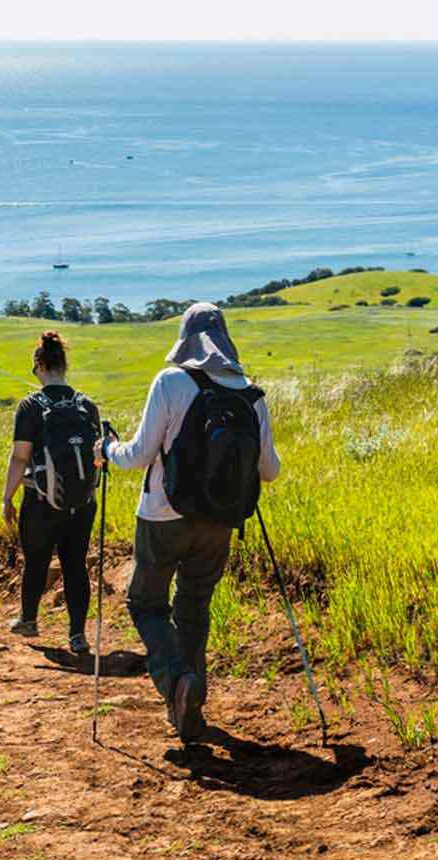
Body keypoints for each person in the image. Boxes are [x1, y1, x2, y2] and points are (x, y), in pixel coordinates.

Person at [94, 303, 280, 742]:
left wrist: (107, 449)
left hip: (163, 515)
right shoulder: (250, 393)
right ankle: (188, 704)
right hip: (220, 521)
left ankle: (177, 682)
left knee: (145, 603)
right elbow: (269, 471)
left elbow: (139, 455)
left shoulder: (171, 381)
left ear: (184, 338)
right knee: (194, 604)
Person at [2, 331, 101, 654]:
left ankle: (28, 620)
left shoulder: (31, 406)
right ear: (64, 365)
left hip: (41, 500)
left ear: (39, 366)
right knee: (75, 564)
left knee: (37, 560)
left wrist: (7, 498)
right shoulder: (87, 405)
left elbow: (20, 457)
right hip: (83, 502)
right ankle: (77, 635)